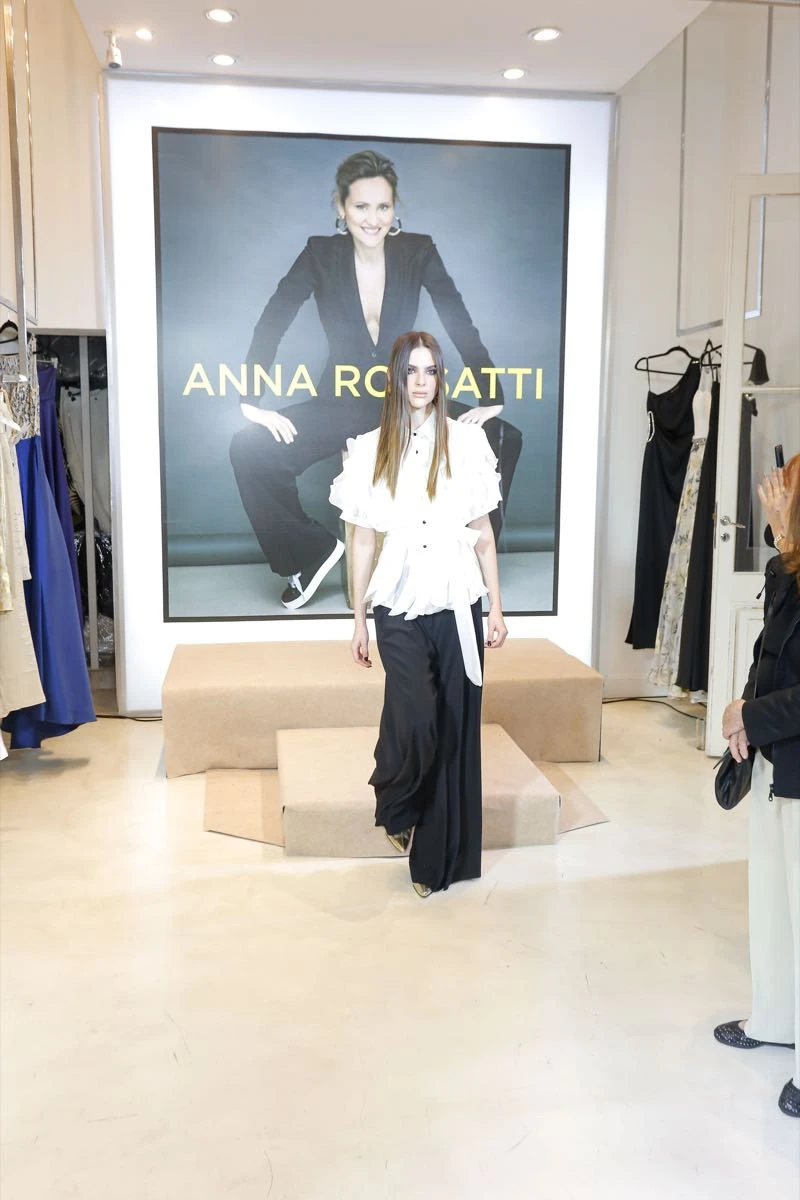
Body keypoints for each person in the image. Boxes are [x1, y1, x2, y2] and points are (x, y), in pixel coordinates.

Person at [229, 149, 522, 610]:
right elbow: (274, 318)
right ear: (341, 207)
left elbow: (457, 318)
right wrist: (250, 399)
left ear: (394, 207)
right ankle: (308, 552)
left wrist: (492, 395)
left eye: (383, 206)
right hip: (340, 401)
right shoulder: (320, 253)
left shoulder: (418, 250)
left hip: (406, 401)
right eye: (361, 206)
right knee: (248, 448)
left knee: (504, 437)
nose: (373, 219)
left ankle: (465, 562)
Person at [329, 330, 508, 897]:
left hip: (458, 599)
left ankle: (434, 863)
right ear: (396, 377)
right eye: (411, 370)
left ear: (440, 378)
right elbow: (362, 541)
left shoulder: (467, 442)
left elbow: (482, 534)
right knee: (417, 713)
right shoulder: (369, 449)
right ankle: (396, 799)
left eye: (431, 371)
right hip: (398, 601)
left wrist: (496, 607)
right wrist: (358, 619)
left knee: (453, 725)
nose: (421, 381)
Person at [715, 454, 800, 1119]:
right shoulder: (785, 569)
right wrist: (741, 711)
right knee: (774, 903)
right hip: (776, 758)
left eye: (784, 491)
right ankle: (777, 1018)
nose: (773, 498)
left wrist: (754, 715)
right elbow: (768, 652)